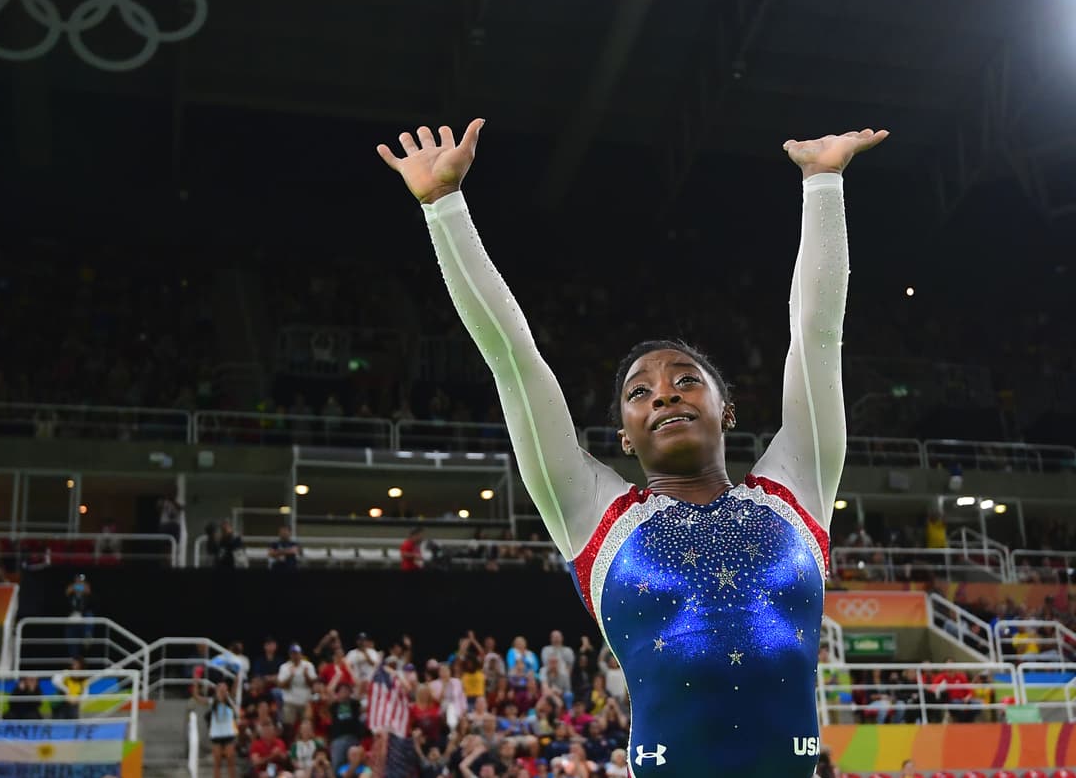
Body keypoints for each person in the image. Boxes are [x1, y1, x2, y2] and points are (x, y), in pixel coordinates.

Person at [377, 120, 887, 777]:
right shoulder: (597, 518)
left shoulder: (799, 489)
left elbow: (819, 334)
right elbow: (513, 360)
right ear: (623, 434)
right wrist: (443, 206)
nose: (665, 395)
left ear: (725, 410)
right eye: (639, 392)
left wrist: (823, 183)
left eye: (685, 381)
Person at [194, 680, 240, 778]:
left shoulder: (230, 700)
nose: (223, 690)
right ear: (217, 690)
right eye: (220, 688)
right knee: (217, 762)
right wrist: (196, 682)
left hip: (229, 734)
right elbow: (197, 697)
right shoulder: (212, 701)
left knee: (230, 760)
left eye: (224, 688)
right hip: (216, 735)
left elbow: (235, 687)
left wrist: (238, 675)